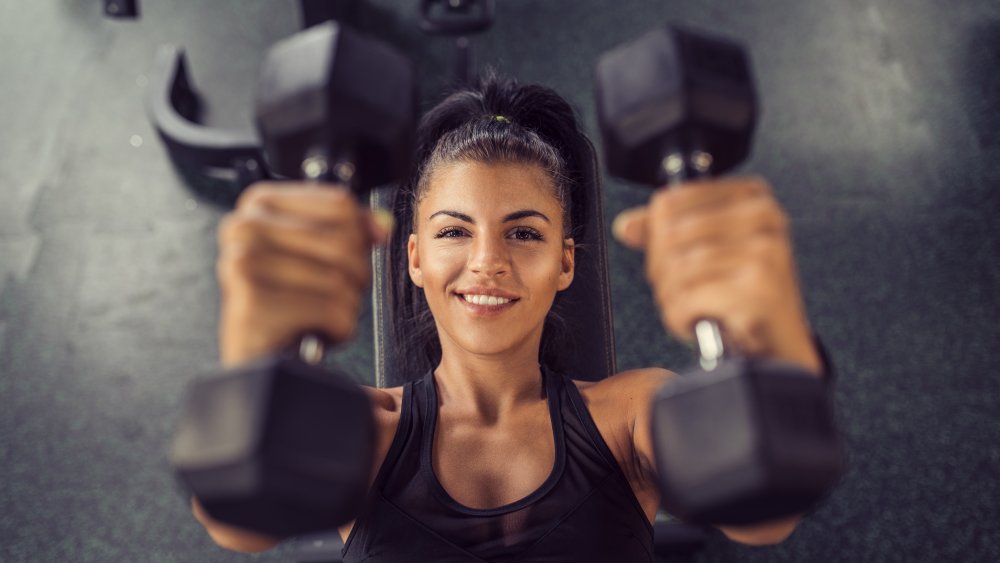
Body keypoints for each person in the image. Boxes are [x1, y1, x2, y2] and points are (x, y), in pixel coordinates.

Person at [192, 74, 828, 560]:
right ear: (414, 258)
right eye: (454, 233)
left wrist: (773, 335)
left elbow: (767, 518)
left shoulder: (631, 415)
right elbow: (236, 526)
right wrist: (253, 356)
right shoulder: (363, 429)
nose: (487, 262)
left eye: (523, 234)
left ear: (566, 263)